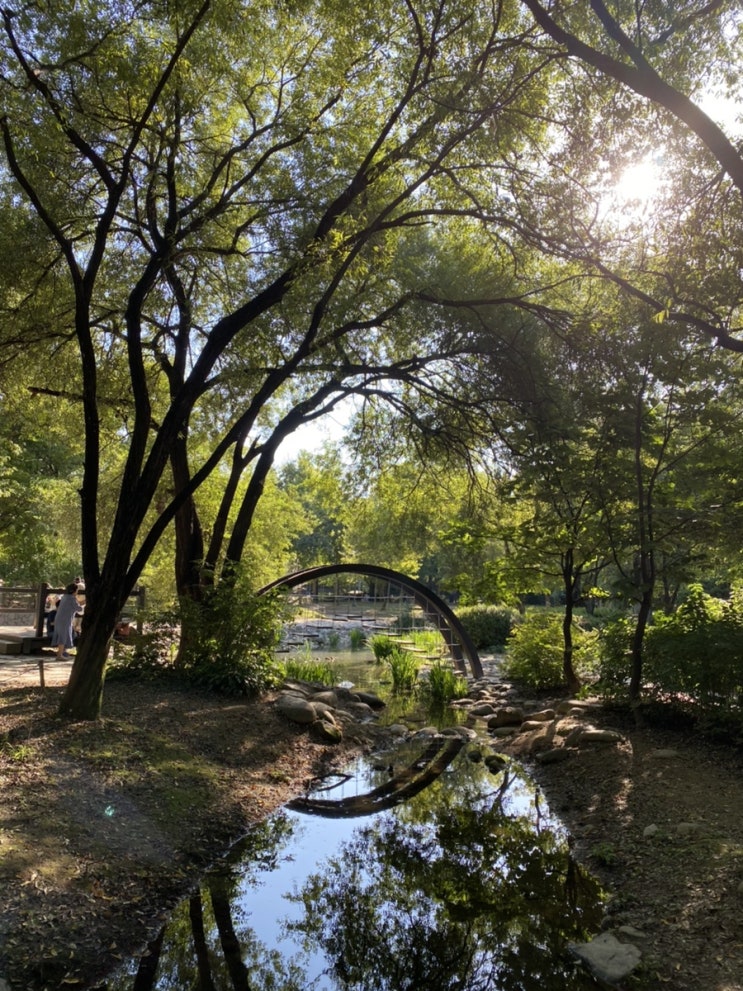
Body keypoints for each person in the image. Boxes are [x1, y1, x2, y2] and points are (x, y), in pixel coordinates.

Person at [52, 582, 83, 661]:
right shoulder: (72, 598)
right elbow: (79, 608)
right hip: (65, 620)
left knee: (62, 635)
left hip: (59, 618)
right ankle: (59, 655)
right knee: (63, 636)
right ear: (74, 590)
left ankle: (61, 653)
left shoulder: (65, 597)